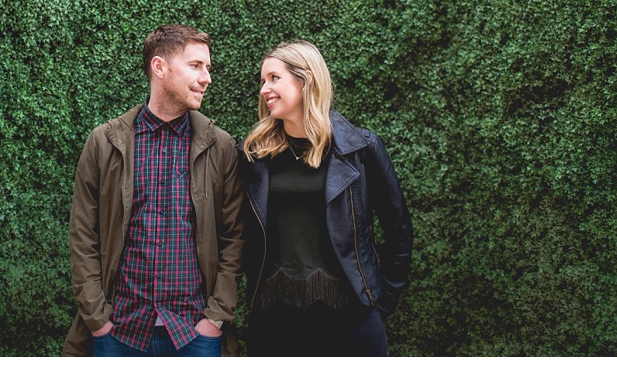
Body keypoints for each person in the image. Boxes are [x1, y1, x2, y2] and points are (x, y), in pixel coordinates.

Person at [62, 24, 244, 357]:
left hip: (195, 333)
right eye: (196, 66)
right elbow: (83, 236)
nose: (207, 78)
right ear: (159, 67)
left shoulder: (220, 146)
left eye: (208, 67)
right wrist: (98, 319)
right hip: (120, 331)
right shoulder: (105, 143)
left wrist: (215, 317)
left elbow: (234, 239)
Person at [238, 40, 412, 357]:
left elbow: (398, 228)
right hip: (275, 319)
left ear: (307, 80)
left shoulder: (361, 149)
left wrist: (384, 299)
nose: (264, 89)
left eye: (274, 78)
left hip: (350, 318)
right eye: (263, 81)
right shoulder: (254, 156)